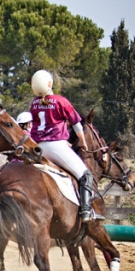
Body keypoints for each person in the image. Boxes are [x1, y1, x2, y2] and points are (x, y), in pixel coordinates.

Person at [29, 69, 96, 222]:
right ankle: (86, 210)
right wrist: (83, 142)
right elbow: (77, 125)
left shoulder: (34, 103)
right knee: (86, 175)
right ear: (50, 84)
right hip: (55, 147)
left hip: (36, 147)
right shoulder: (61, 101)